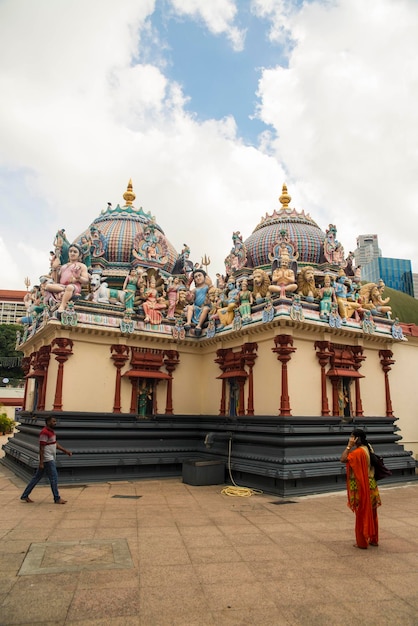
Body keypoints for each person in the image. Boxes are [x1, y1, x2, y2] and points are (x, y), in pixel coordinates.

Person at [340, 428, 381, 549]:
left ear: (357, 439)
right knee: (372, 513)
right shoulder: (368, 448)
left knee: (361, 513)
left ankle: (362, 541)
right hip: (371, 484)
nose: (350, 439)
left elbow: (343, 459)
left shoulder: (358, 453)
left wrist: (348, 446)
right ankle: (373, 539)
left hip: (360, 486)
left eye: (352, 437)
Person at [20, 416, 72, 504]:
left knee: (36, 477)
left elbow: (54, 444)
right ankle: (57, 498)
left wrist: (65, 451)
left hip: (49, 457)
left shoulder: (51, 432)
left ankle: (25, 495)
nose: (55, 423)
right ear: (48, 422)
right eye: (53, 421)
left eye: (55, 421)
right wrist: (41, 462)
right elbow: (41, 448)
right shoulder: (44, 432)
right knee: (54, 478)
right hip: (47, 459)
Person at [46, 244, 90, 313]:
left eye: (75, 252)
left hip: (75, 286)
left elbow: (86, 281)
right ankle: (65, 290)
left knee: (70, 287)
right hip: (62, 286)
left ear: (80, 255)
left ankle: (62, 305)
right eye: (70, 251)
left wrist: (78, 277)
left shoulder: (81, 266)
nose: (72, 253)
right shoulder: (64, 266)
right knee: (48, 286)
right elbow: (57, 281)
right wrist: (54, 268)